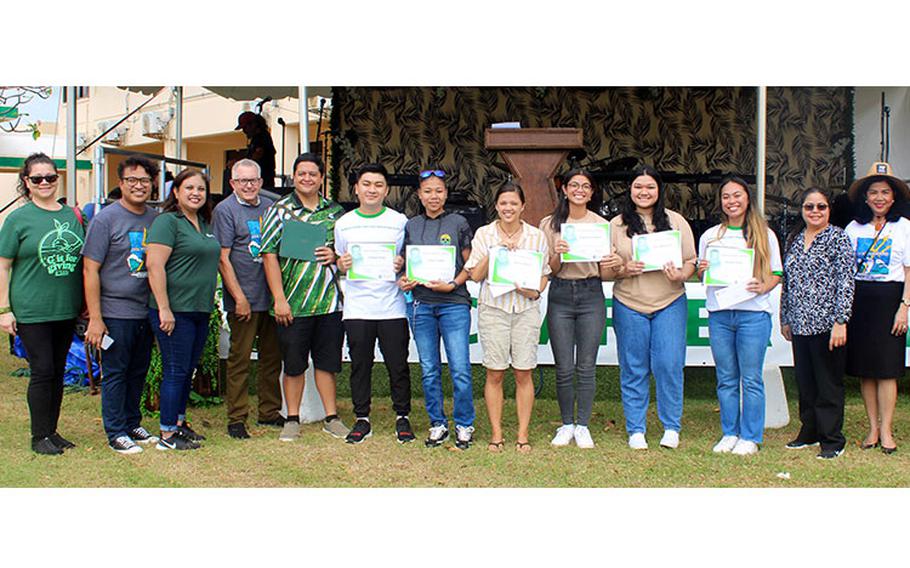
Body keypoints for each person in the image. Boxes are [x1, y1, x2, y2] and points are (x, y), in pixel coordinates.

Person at [260, 152, 349, 442]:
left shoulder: (335, 212)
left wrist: (334, 256)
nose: (307, 178)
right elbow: (268, 254)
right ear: (294, 177)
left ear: (322, 178)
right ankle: (292, 418)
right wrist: (279, 298)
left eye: (313, 174)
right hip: (293, 304)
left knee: (327, 364)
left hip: (328, 303)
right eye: (302, 174)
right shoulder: (280, 210)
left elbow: (347, 254)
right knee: (294, 364)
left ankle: (331, 417)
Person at [0, 153, 85, 455]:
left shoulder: (71, 215)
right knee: (43, 370)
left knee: (58, 369)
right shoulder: (18, 219)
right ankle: (39, 436)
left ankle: (52, 430)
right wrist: (4, 309)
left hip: (66, 307)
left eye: (50, 177)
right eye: (37, 178)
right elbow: (3, 264)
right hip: (32, 309)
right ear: (27, 182)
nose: (45, 182)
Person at [609, 165, 696, 450]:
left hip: (669, 301)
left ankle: (671, 426)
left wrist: (681, 274)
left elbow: (691, 262)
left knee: (669, 365)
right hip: (629, 303)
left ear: (659, 191)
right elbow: (605, 269)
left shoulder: (676, 221)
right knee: (633, 367)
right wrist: (624, 268)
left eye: (650, 187)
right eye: (638, 187)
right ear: (630, 190)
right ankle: (636, 429)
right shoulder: (617, 224)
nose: (644, 192)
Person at [697, 176, 782, 456]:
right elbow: (701, 274)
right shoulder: (711, 236)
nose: (732, 201)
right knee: (725, 378)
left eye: (737, 195)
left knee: (751, 378)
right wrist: (704, 268)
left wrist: (764, 284)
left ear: (747, 199)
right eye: (726, 197)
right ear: (720, 202)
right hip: (720, 314)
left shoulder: (764, 233)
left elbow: (777, 273)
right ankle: (729, 433)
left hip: (753, 315)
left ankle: (750, 436)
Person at [82, 154, 160, 454]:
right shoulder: (106, 219)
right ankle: (115, 431)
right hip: (115, 312)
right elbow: (90, 270)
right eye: (132, 180)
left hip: (145, 310)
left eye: (144, 180)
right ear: (121, 183)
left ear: (152, 184)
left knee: (138, 370)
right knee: (116, 371)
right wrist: (95, 318)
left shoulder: (155, 220)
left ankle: (131, 422)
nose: (138, 186)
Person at [465, 181, 550, 453]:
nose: (508, 208)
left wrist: (535, 290)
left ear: (523, 206)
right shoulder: (484, 234)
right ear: (496, 206)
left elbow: (544, 273)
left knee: (524, 372)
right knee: (495, 372)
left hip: (525, 309)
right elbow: (475, 275)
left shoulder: (536, 236)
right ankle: (497, 434)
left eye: (514, 203)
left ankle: (522, 434)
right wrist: (495, 252)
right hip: (494, 309)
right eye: (503, 203)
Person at [540, 168, 620, 449]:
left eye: (585, 186)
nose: (579, 190)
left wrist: (613, 263)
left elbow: (606, 273)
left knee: (586, 366)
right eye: (574, 185)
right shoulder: (549, 224)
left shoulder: (601, 224)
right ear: (564, 189)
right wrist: (558, 253)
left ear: (592, 192)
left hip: (591, 294)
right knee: (563, 366)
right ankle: (565, 424)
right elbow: (549, 269)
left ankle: (583, 425)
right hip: (560, 293)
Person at [397, 168, 476, 449]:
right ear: (419, 194)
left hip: (453, 304)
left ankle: (465, 423)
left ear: (446, 194)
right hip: (421, 305)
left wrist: (454, 284)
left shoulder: (459, 223)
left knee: (460, 368)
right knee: (429, 368)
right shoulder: (412, 225)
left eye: (439, 191)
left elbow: (472, 264)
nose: (433, 196)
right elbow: (405, 263)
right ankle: (437, 423)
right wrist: (404, 279)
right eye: (428, 191)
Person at [335, 163, 413, 444]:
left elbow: (408, 259)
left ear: (386, 190)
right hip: (358, 307)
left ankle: (402, 416)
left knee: (398, 364)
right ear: (356, 188)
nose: (372, 189)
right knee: (360, 365)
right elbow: (340, 261)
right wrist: (342, 264)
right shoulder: (343, 224)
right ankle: (361, 418)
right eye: (366, 184)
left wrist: (402, 263)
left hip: (392, 306)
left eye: (378, 185)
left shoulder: (400, 221)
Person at [146, 169, 220, 451]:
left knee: (187, 369)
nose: (195, 193)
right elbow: (155, 266)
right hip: (174, 310)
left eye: (200, 189)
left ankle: (178, 423)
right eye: (189, 188)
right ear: (175, 192)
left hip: (198, 309)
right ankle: (166, 435)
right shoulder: (168, 222)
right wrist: (164, 308)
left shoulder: (203, 223)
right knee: (176, 370)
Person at [780, 187, 854, 459]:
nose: (815, 212)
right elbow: (788, 283)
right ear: (802, 210)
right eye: (809, 207)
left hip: (827, 324)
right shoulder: (795, 239)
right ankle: (809, 431)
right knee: (806, 381)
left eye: (820, 207)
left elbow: (846, 282)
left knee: (828, 383)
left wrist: (840, 321)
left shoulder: (838, 238)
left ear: (829, 210)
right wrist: (785, 318)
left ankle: (832, 439)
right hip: (800, 323)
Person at [213, 158, 283, 440]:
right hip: (244, 297)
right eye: (242, 181)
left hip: (272, 297)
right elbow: (223, 258)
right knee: (239, 359)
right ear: (232, 183)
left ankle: (269, 411)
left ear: (261, 182)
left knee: (271, 358)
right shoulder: (225, 210)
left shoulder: (270, 208)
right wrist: (239, 297)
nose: (249, 185)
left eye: (253, 180)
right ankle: (237, 417)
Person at [844, 161, 910, 455]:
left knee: (887, 370)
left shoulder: (905, 228)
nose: (879, 198)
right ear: (865, 197)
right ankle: (872, 428)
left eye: (885, 192)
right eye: (874, 192)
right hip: (860, 300)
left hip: (890, 300)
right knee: (866, 370)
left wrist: (904, 306)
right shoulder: (853, 228)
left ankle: (887, 430)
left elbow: (909, 271)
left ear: (893, 197)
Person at [236, 111, 276, 189]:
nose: (244, 131)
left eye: (245, 127)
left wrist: (240, 164)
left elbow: (257, 155)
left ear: (253, 125)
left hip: (263, 182)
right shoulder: (257, 138)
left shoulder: (262, 137)